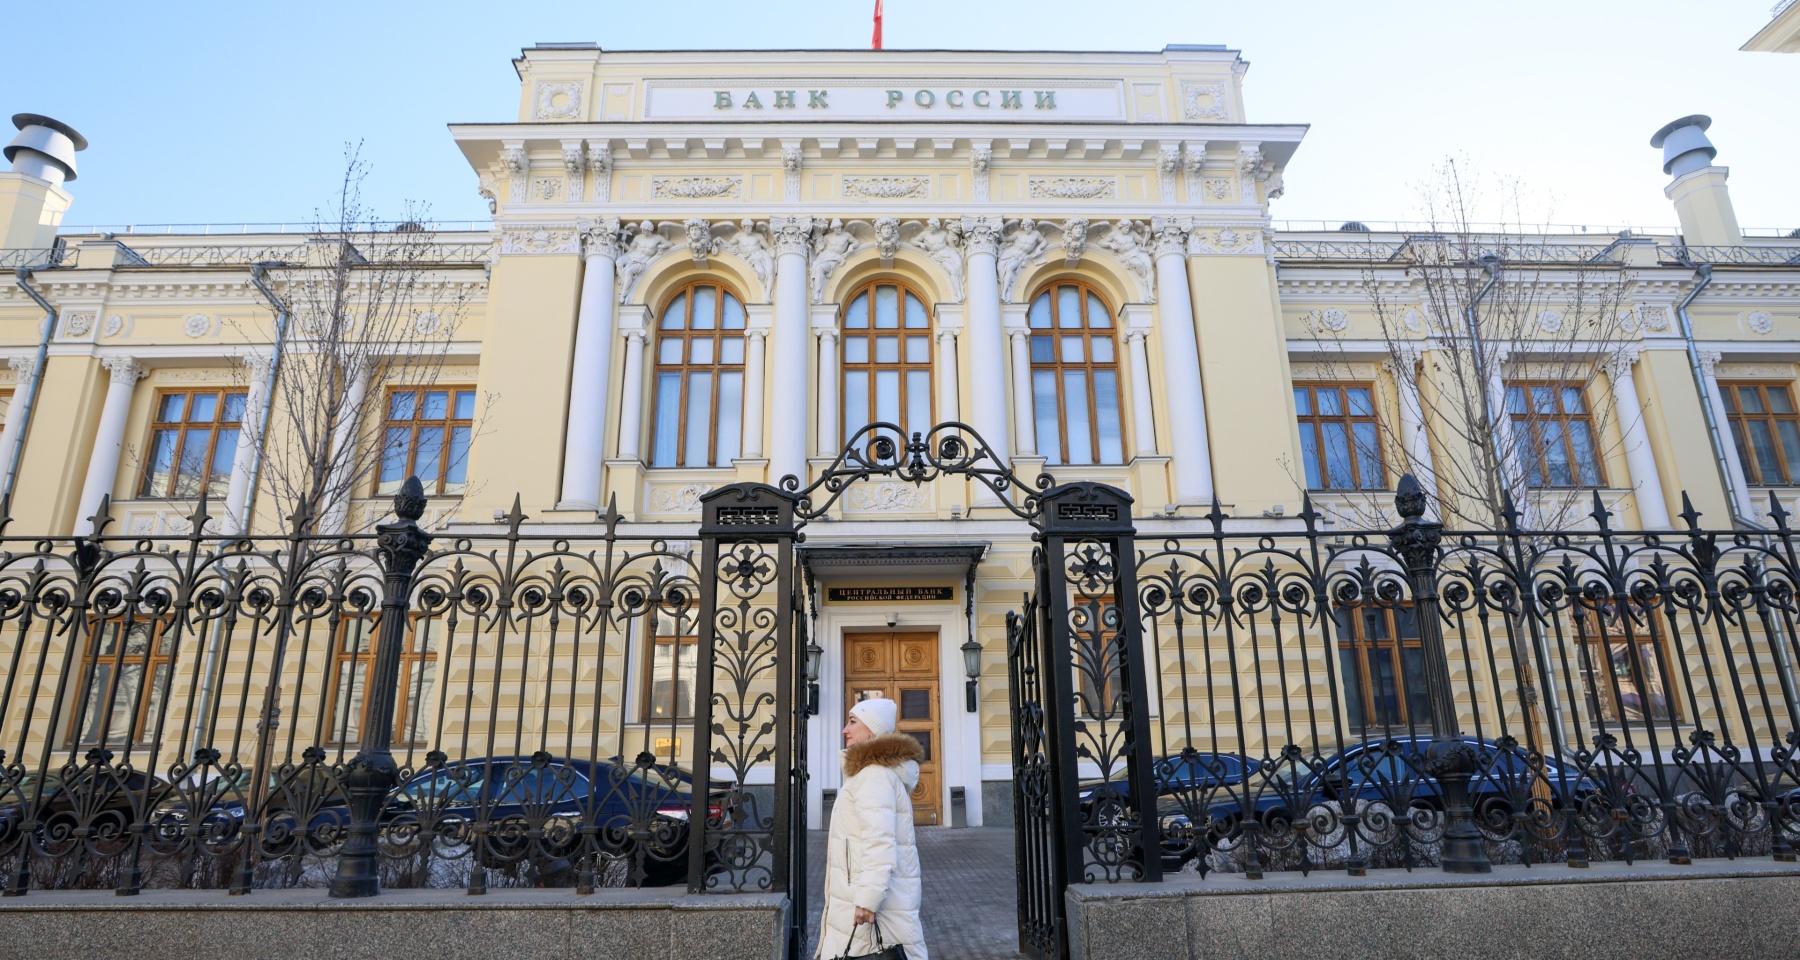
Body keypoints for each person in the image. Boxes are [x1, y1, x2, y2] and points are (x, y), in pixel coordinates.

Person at [817, 697, 928, 959]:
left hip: (869, 908)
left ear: (872, 731)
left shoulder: (873, 775)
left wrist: (867, 900)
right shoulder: (870, 773)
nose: (845, 729)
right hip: (867, 900)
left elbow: (880, 843)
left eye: (853, 722)